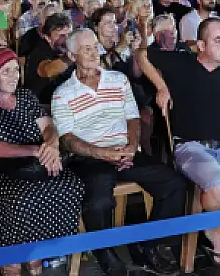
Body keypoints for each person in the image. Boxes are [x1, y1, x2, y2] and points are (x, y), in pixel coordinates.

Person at [137, 17, 220, 268]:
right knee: (218, 185)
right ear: (201, 45)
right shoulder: (180, 62)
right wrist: (161, 86)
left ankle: (218, 229)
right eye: (218, 40)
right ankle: (217, 233)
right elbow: (142, 54)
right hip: (192, 146)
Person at [52, 29, 184, 276]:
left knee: (174, 183)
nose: (94, 53)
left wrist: (131, 147)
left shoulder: (118, 80)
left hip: (124, 150)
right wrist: (103, 154)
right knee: (98, 199)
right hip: (89, 157)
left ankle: (146, 244)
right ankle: (105, 254)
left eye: (95, 47)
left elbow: (133, 118)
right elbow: (67, 140)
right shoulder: (62, 94)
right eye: (86, 49)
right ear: (72, 55)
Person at [0, 47, 83, 276]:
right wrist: (38, 150)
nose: (14, 76)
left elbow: (48, 126)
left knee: (71, 185)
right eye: (6, 71)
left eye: (16, 70)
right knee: (22, 199)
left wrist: (51, 145)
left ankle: (45, 251)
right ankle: (17, 258)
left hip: (35, 167)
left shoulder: (26, 97)